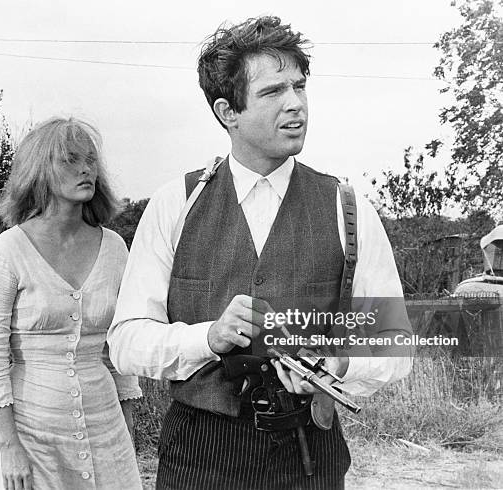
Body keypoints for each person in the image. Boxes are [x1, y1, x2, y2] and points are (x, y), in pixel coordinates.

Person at [108, 16, 412, 490]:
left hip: (310, 454)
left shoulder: (346, 207)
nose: (296, 105)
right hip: (198, 456)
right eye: (273, 92)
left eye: (300, 87)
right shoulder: (176, 205)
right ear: (228, 111)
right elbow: (126, 341)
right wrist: (208, 337)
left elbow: (396, 340)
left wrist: (338, 364)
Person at [0, 117, 143, 490]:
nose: (86, 169)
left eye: (90, 159)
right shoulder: (9, 251)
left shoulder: (115, 248)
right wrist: (9, 446)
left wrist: (126, 426)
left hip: (105, 427)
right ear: (40, 169)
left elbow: (120, 346)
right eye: (69, 159)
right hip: (34, 432)